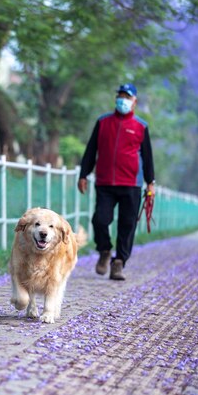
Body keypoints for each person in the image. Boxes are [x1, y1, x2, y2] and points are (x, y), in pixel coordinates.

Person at [77, 83, 155, 281]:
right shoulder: (103, 122)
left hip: (132, 184)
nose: (123, 100)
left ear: (134, 101)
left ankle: (119, 262)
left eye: (127, 97)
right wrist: (83, 175)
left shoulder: (141, 126)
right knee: (100, 220)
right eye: (120, 96)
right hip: (105, 182)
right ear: (116, 99)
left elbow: (147, 157)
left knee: (127, 225)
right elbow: (91, 149)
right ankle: (104, 250)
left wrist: (150, 182)